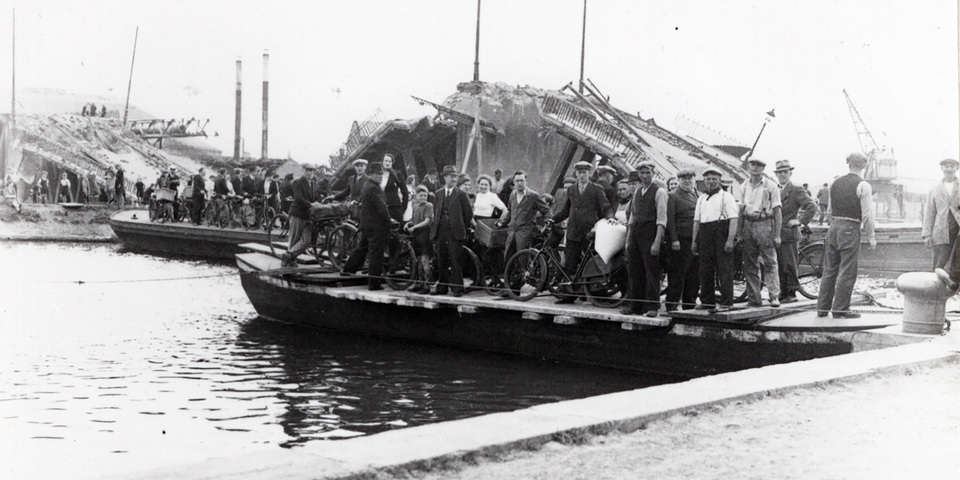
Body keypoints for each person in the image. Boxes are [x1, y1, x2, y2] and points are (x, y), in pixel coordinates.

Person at [816, 153, 877, 318]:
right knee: (847, 270)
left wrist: (835, 225)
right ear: (864, 166)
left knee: (829, 269)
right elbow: (867, 215)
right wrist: (871, 236)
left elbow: (829, 211)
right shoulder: (863, 185)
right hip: (850, 227)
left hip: (834, 227)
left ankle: (822, 308)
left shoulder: (835, 183)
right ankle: (840, 309)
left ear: (849, 164)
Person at [552, 161, 612, 304]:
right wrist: (553, 220)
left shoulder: (596, 189)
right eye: (579, 173)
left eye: (585, 172)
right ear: (576, 174)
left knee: (593, 262)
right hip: (573, 230)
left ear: (589, 174)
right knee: (570, 263)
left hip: (589, 231)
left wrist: (610, 217)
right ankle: (568, 295)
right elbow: (566, 210)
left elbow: (605, 206)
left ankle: (599, 294)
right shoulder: (571, 189)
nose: (582, 175)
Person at [621, 161, 668, 317]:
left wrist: (657, 242)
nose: (645, 176)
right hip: (636, 232)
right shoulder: (637, 192)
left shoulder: (659, 192)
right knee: (635, 270)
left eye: (648, 172)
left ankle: (652, 306)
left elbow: (662, 219)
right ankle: (635, 306)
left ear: (653, 173)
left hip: (650, 233)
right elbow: (632, 217)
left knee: (652, 271)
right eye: (642, 173)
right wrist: (629, 239)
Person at [692, 168, 739, 312]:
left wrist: (730, 240)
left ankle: (726, 302)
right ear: (704, 181)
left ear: (719, 180)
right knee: (705, 269)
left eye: (714, 179)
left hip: (721, 232)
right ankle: (707, 301)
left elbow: (733, 219)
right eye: (708, 179)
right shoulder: (701, 198)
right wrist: (694, 241)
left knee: (724, 269)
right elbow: (696, 221)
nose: (711, 182)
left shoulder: (726, 196)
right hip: (705, 233)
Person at [736, 158, 782, 307]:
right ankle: (754, 298)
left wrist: (777, 235)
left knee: (770, 262)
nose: (755, 168)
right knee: (750, 263)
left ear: (763, 168)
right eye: (753, 165)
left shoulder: (771, 186)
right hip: (748, 224)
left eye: (759, 165)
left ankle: (774, 296)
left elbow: (777, 211)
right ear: (748, 167)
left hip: (764, 224)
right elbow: (741, 210)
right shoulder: (744, 185)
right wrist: (739, 233)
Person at [341, 163, 393, 291]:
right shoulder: (373, 188)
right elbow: (381, 207)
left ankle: (348, 269)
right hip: (375, 226)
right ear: (371, 174)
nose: (380, 176)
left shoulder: (368, 185)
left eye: (381, 174)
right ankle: (374, 283)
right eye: (378, 174)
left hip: (367, 223)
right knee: (376, 253)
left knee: (362, 248)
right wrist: (389, 220)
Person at [774, 160, 818, 304]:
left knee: (789, 264)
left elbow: (812, 206)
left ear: (790, 173)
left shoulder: (796, 189)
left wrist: (799, 221)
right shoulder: (776, 189)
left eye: (785, 172)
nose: (782, 175)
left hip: (789, 233)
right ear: (776, 174)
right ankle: (783, 292)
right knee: (780, 263)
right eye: (779, 172)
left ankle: (792, 293)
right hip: (777, 233)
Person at [429, 165, 474, 297]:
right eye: (451, 176)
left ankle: (457, 288)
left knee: (456, 259)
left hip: (455, 232)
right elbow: (436, 211)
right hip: (440, 231)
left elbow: (468, 214)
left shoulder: (461, 194)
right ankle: (442, 287)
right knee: (441, 259)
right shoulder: (438, 194)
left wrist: (460, 226)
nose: (454, 179)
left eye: (455, 176)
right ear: (444, 178)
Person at [664, 169, 700, 311]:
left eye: (689, 178)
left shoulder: (697, 195)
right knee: (677, 275)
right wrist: (674, 239)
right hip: (681, 240)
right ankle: (671, 305)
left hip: (696, 240)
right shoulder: (672, 196)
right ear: (678, 180)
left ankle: (689, 306)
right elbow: (670, 220)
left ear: (694, 180)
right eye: (683, 178)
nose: (687, 181)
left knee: (693, 275)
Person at [497, 170, 550, 261]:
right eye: (517, 181)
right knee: (508, 258)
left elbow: (547, 211)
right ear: (514, 182)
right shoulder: (513, 194)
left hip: (525, 233)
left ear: (526, 181)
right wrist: (502, 222)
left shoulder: (533, 196)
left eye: (521, 180)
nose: (519, 183)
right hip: (512, 232)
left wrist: (547, 224)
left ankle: (525, 270)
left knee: (523, 259)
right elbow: (510, 211)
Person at [282, 164, 323, 268]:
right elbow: (298, 198)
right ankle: (289, 262)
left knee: (307, 240)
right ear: (303, 171)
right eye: (308, 170)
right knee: (294, 238)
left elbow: (315, 197)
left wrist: (319, 202)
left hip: (308, 215)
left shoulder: (314, 184)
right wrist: (311, 204)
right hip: (297, 213)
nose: (310, 173)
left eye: (312, 171)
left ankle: (288, 255)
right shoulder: (297, 182)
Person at [922, 158, 959, 271]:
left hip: (958, 233)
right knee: (939, 265)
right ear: (942, 168)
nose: (949, 169)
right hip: (940, 234)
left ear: (957, 168)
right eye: (946, 166)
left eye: (952, 166)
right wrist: (927, 235)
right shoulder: (934, 189)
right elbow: (929, 213)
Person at [406, 185, 434, 294]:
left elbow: (427, 221)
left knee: (425, 261)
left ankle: (427, 285)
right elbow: (414, 220)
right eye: (421, 195)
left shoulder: (429, 206)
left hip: (425, 236)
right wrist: (408, 224)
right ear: (416, 196)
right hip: (417, 237)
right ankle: (419, 283)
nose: (423, 197)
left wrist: (414, 227)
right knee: (418, 261)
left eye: (425, 195)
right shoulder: (415, 206)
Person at [380, 154, 409, 223]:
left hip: (395, 207)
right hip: (381, 207)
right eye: (386, 161)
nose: (387, 163)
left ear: (392, 163)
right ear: (382, 162)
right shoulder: (378, 175)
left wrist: (403, 208)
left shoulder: (397, 174)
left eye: (389, 161)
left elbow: (405, 191)